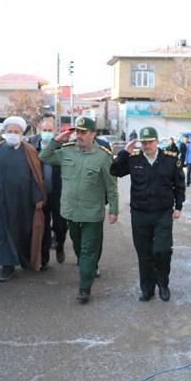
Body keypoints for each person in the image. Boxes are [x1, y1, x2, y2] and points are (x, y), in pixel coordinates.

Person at [40, 116, 119, 304]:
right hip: (70, 210)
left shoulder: (103, 157)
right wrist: (56, 141)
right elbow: (43, 156)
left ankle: (85, 288)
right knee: (77, 245)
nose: (79, 136)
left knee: (87, 250)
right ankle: (90, 267)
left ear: (93, 134)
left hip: (92, 212)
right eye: (77, 132)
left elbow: (111, 186)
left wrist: (113, 210)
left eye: (84, 132)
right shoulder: (66, 152)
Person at [111, 126, 185, 302]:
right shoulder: (133, 159)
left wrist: (178, 207)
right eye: (143, 142)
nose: (146, 145)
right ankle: (147, 289)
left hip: (163, 213)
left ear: (157, 141)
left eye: (150, 141)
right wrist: (125, 152)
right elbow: (115, 171)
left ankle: (163, 284)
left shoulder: (170, 160)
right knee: (144, 254)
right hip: (140, 214)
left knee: (162, 250)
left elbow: (179, 185)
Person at [0, 116, 46, 282]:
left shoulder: (30, 150)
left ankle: (24, 260)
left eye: (16, 132)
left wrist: (38, 197)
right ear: (4, 132)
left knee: (23, 230)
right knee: (3, 232)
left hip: (24, 200)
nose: (12, 134)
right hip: (1, 199)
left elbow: (36, 176)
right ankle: (7, 267)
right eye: (9, 131)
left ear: (22, 133)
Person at [28, 113, 68, 267]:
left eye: (50, 130)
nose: (47, 132)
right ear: (39, 128)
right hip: (41, 194)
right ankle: (44, 260)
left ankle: (60, 246)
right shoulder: (32, 145)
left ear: (55, 130)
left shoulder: (62, 145)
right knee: (43, 228)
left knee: (60, 226)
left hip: (59, 194)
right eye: (45, 129)